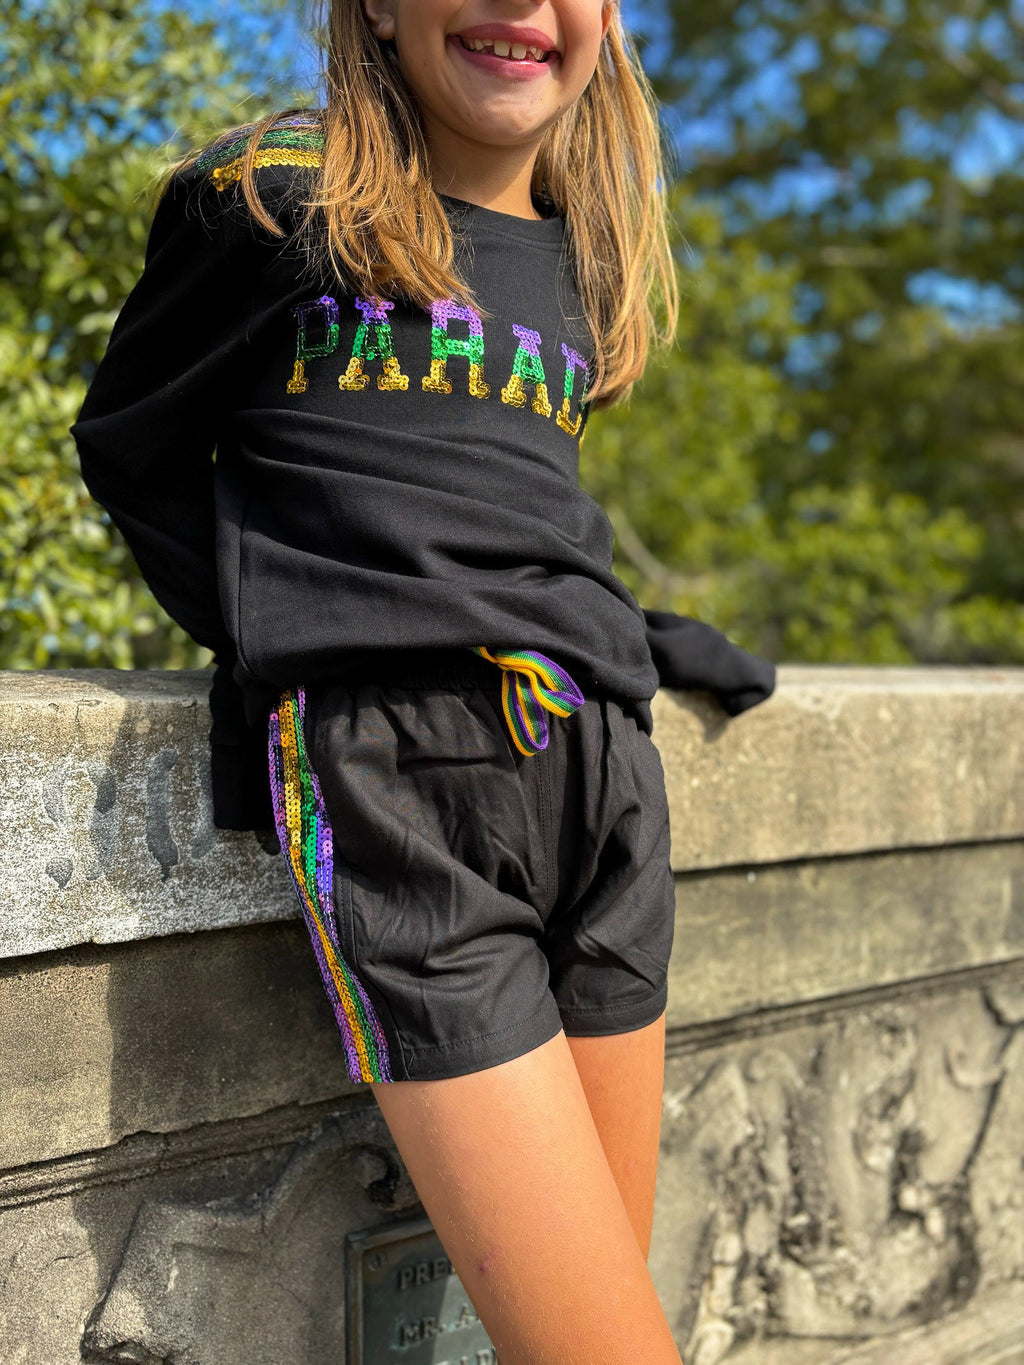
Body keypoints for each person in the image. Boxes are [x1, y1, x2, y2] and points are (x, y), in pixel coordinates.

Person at [71, 3, 776, 1360]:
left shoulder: (582, 256)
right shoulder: (274, 203)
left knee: (598, 1312)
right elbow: (132, 448)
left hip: (607, 783)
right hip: (407, 792)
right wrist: (310, 623)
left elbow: (493, 508)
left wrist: (639, 642)